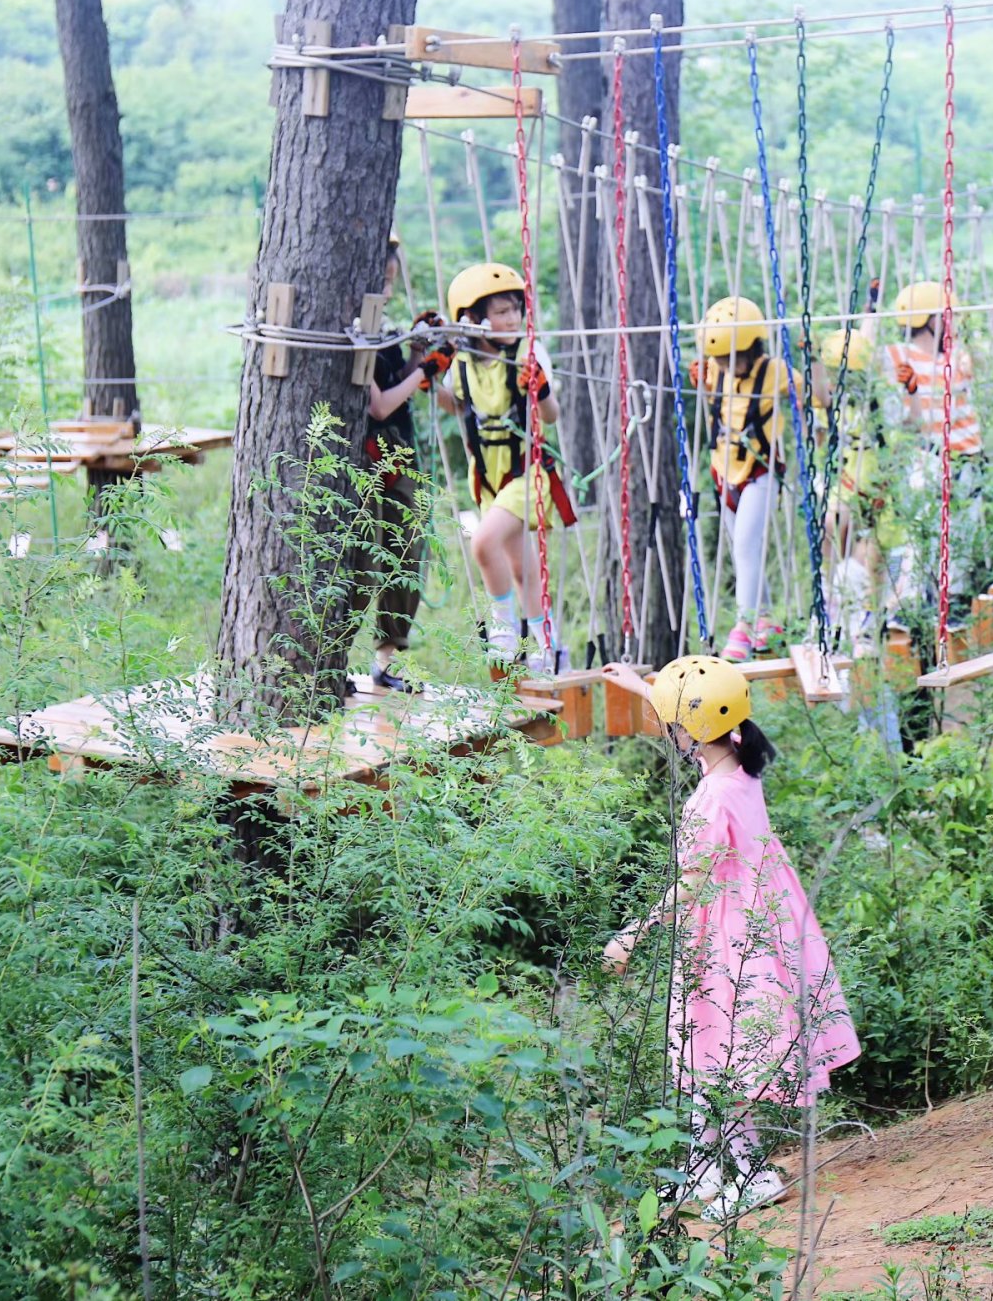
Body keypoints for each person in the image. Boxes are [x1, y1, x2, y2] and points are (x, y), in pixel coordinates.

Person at [600, 656, 862, 1221]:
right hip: (760, 920)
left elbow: (688, 885)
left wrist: (631, 935)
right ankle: (709, 1169)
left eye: (668, 722)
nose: (666, 731)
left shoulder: (710, 799)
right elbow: (698, 715)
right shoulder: (740, 768)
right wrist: (642, 688)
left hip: (725, 935)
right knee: (713, 1049)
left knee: (712, 1049)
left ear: (689, 732)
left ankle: (744, 1171)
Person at [433, 262, 576, 671]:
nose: (511, 317)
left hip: (527, 471)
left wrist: (540, 387)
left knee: (483, 543)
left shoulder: (529, 353)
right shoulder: (463, 363)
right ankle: (546, 648)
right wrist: (428, 375)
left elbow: (550, 415)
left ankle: (503, 627)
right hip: (488, 475)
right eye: (500, 312)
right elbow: (457, 402)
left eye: (514, 309)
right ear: (474, 320)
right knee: (519, 565)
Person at [358, 230, 455, 691]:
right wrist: (423, 371)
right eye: (383, 278)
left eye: (391, 279)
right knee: (361, 559)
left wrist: (417, 352)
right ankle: (332, 661)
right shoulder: (352, 328)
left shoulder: (378, 327)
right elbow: (376, 405)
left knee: (406, 555)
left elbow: (391, 385)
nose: (389, 287)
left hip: (397, 454)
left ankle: (388, 659)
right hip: (362, 458)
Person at [878, 280, 986, 613]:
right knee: (925, 533)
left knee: (963, 533)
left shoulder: (958, 356)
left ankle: (952, 603)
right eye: (945, 315)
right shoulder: (897, 357)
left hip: (968, 454)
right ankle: (915, 604)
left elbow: (972, 383)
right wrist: (910, 393)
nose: (951, 322)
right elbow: (906, 421)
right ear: (929, 318)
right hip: (929, 455)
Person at [695, 296, 789, 663]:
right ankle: (765, 618)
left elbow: (820, 397)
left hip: (759, 471)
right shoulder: (715, 371)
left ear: (752, 347)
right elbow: (717, 406)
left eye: (729, 358)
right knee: (741, 551)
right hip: (724, 471)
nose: (722, 365)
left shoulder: (774, 371)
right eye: (717, 358)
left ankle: (744, 625)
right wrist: (703, 387)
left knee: (748, 546)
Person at [813, 325, 891, 655]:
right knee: (832, 528)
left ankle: (866, 621)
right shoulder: (835, 406)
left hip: (880, 492)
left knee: (867, 558)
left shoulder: (880, 404)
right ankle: (831, 604)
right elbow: (821, 399)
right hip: (845, 487)